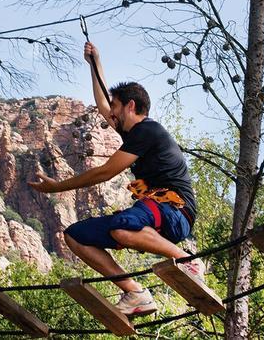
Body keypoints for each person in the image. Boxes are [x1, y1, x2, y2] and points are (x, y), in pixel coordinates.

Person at [28, 41, 204, 317]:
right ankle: (134, 291)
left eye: (115, 106)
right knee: (76, 236)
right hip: (152, 214)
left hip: (176, 211)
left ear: (130, 106)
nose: (110, 113)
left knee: (124, 225)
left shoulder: (148, 131)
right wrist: (95, 63)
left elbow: (105, 172)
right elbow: (102, 104)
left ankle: (188, 262)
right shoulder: (134, 133)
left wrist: (57, 187)